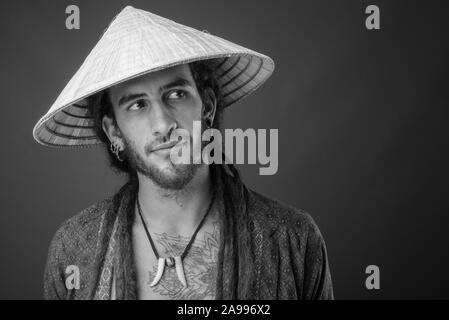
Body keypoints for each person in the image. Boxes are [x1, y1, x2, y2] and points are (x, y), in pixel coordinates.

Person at [34, 5, 333, 300]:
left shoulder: (292, 238)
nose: (163, 124)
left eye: (176, 95)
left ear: (208, 107)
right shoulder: (74, 248)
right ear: (114, 131)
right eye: (137, 105)